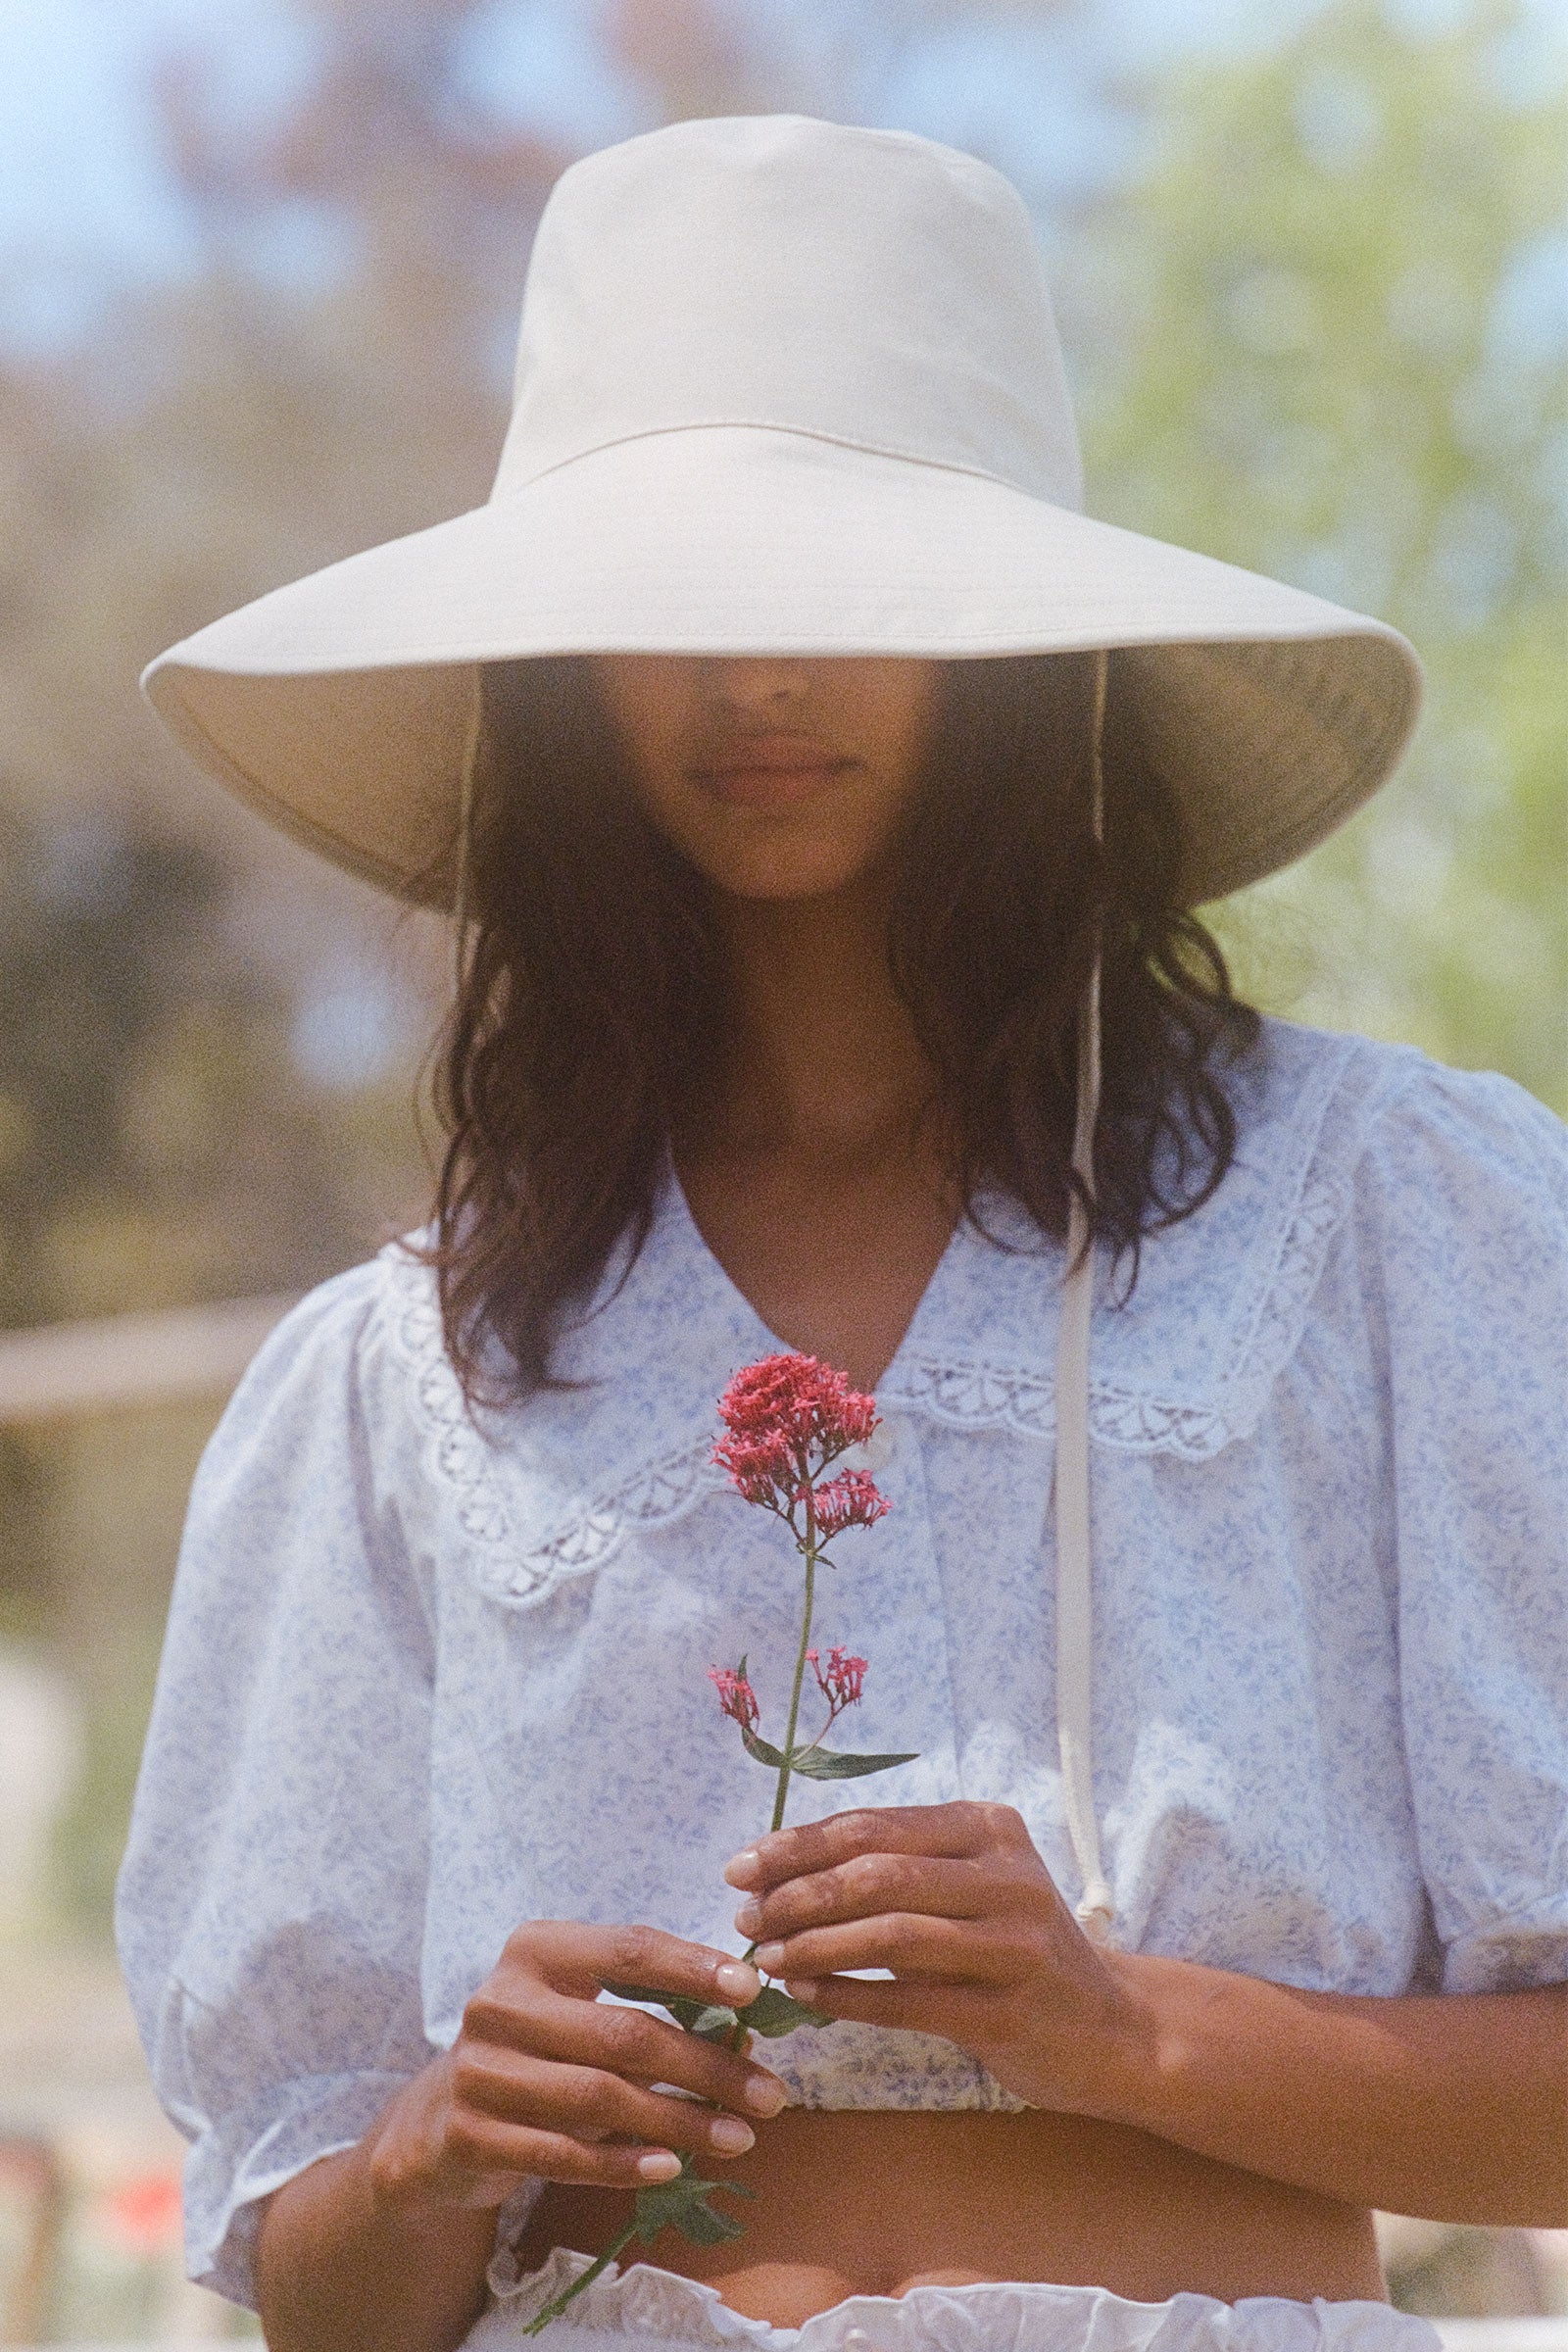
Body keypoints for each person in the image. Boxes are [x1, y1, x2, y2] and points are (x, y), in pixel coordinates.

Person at [118, 114, 1566, 2352]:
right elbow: (308, 2283)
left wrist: (1119, 2031)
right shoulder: (411, 1375)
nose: (752, 681)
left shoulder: (1386, 1222)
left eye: (841, 594)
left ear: (1016, 646)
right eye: (665, 606)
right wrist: (432, 2149)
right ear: (553, 669)